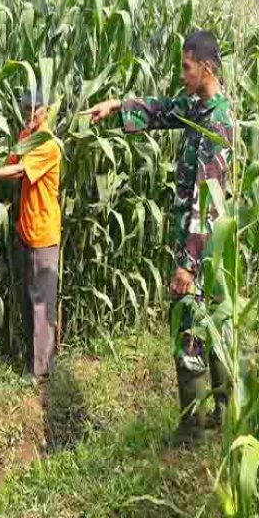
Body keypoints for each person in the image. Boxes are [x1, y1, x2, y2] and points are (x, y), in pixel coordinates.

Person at [84, 30, 233, 446]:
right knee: (215, 327)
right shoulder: (200, 107)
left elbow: (206, 202)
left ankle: (191, 430)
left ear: (206, 67)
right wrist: (117, 107)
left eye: (187, 67)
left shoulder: (217, 123)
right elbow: (165, 109)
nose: (182, 74)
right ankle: (223, 414)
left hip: (201, 247)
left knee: (191, 329)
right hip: (208, 247)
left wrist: (187, 263)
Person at [0, 91, 62, 383]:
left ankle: (40, 370)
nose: (28, 114)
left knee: (41, 301)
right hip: (27, 228)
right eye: (25, 108)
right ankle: (37, 359)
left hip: (42, 231)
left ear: (47, 110)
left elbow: (18, 169)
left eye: (34, 110)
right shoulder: (28, 134)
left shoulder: (48, 144)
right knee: (29, 299)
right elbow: (10, 157)